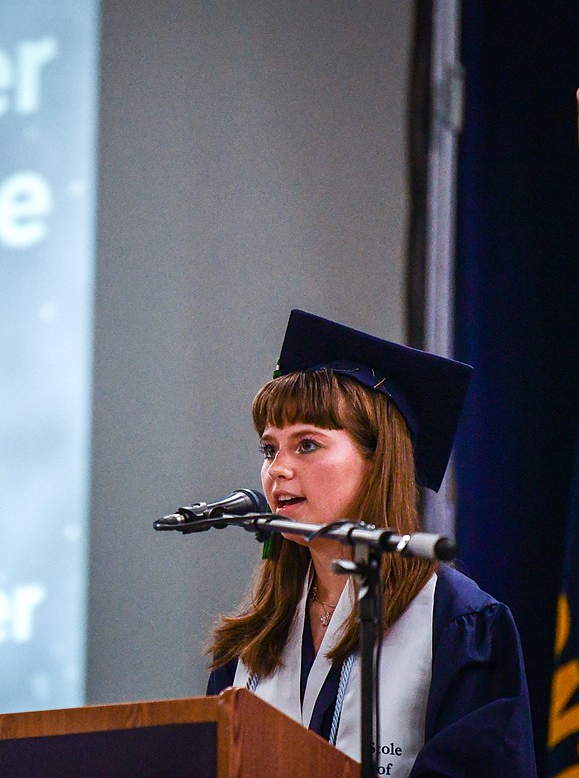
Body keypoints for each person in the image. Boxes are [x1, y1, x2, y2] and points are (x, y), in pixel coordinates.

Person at [206, 310, 536, 777]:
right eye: (269, 448)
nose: (277, 469)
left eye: (306, 445)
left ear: (378, 460)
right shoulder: (254, 640)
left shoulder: (459, 626)